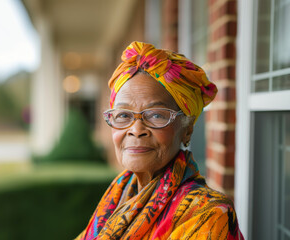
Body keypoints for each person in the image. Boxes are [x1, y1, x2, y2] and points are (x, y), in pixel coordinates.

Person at [76, 41, 244, 240]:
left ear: (187, 130)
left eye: (156, 115)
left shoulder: (208, 215)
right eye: (123, 115)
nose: (136, 130)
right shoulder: (119, 192)